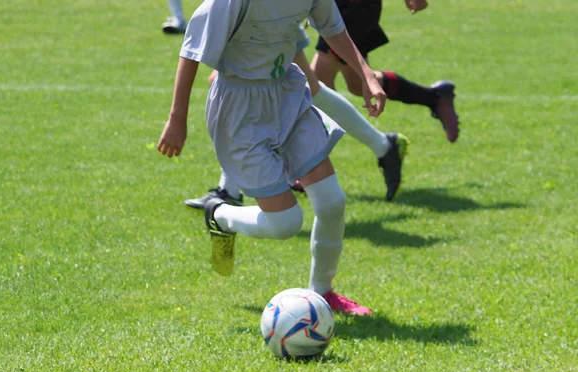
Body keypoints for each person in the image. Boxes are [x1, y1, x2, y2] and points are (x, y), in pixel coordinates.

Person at [157, 0, 387, 315]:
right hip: (240, 110)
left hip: (287, 94)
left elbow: (333, 28)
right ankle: (219, 214)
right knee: (285, 223)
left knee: (333, 202)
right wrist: (177, 118)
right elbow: (191, 50)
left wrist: (366, 75)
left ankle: (322, 293)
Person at [184, 24, 410, 210]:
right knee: (310, 88)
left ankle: (230, 191)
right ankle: (383, 145)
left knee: (299, 87)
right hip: (263, 15)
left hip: (270, 14)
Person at [311, 0, 460, 143]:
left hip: (352, 6)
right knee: (357, 84)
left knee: (317, 81)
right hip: (340, 5)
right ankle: (434, 97)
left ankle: (382, 147)